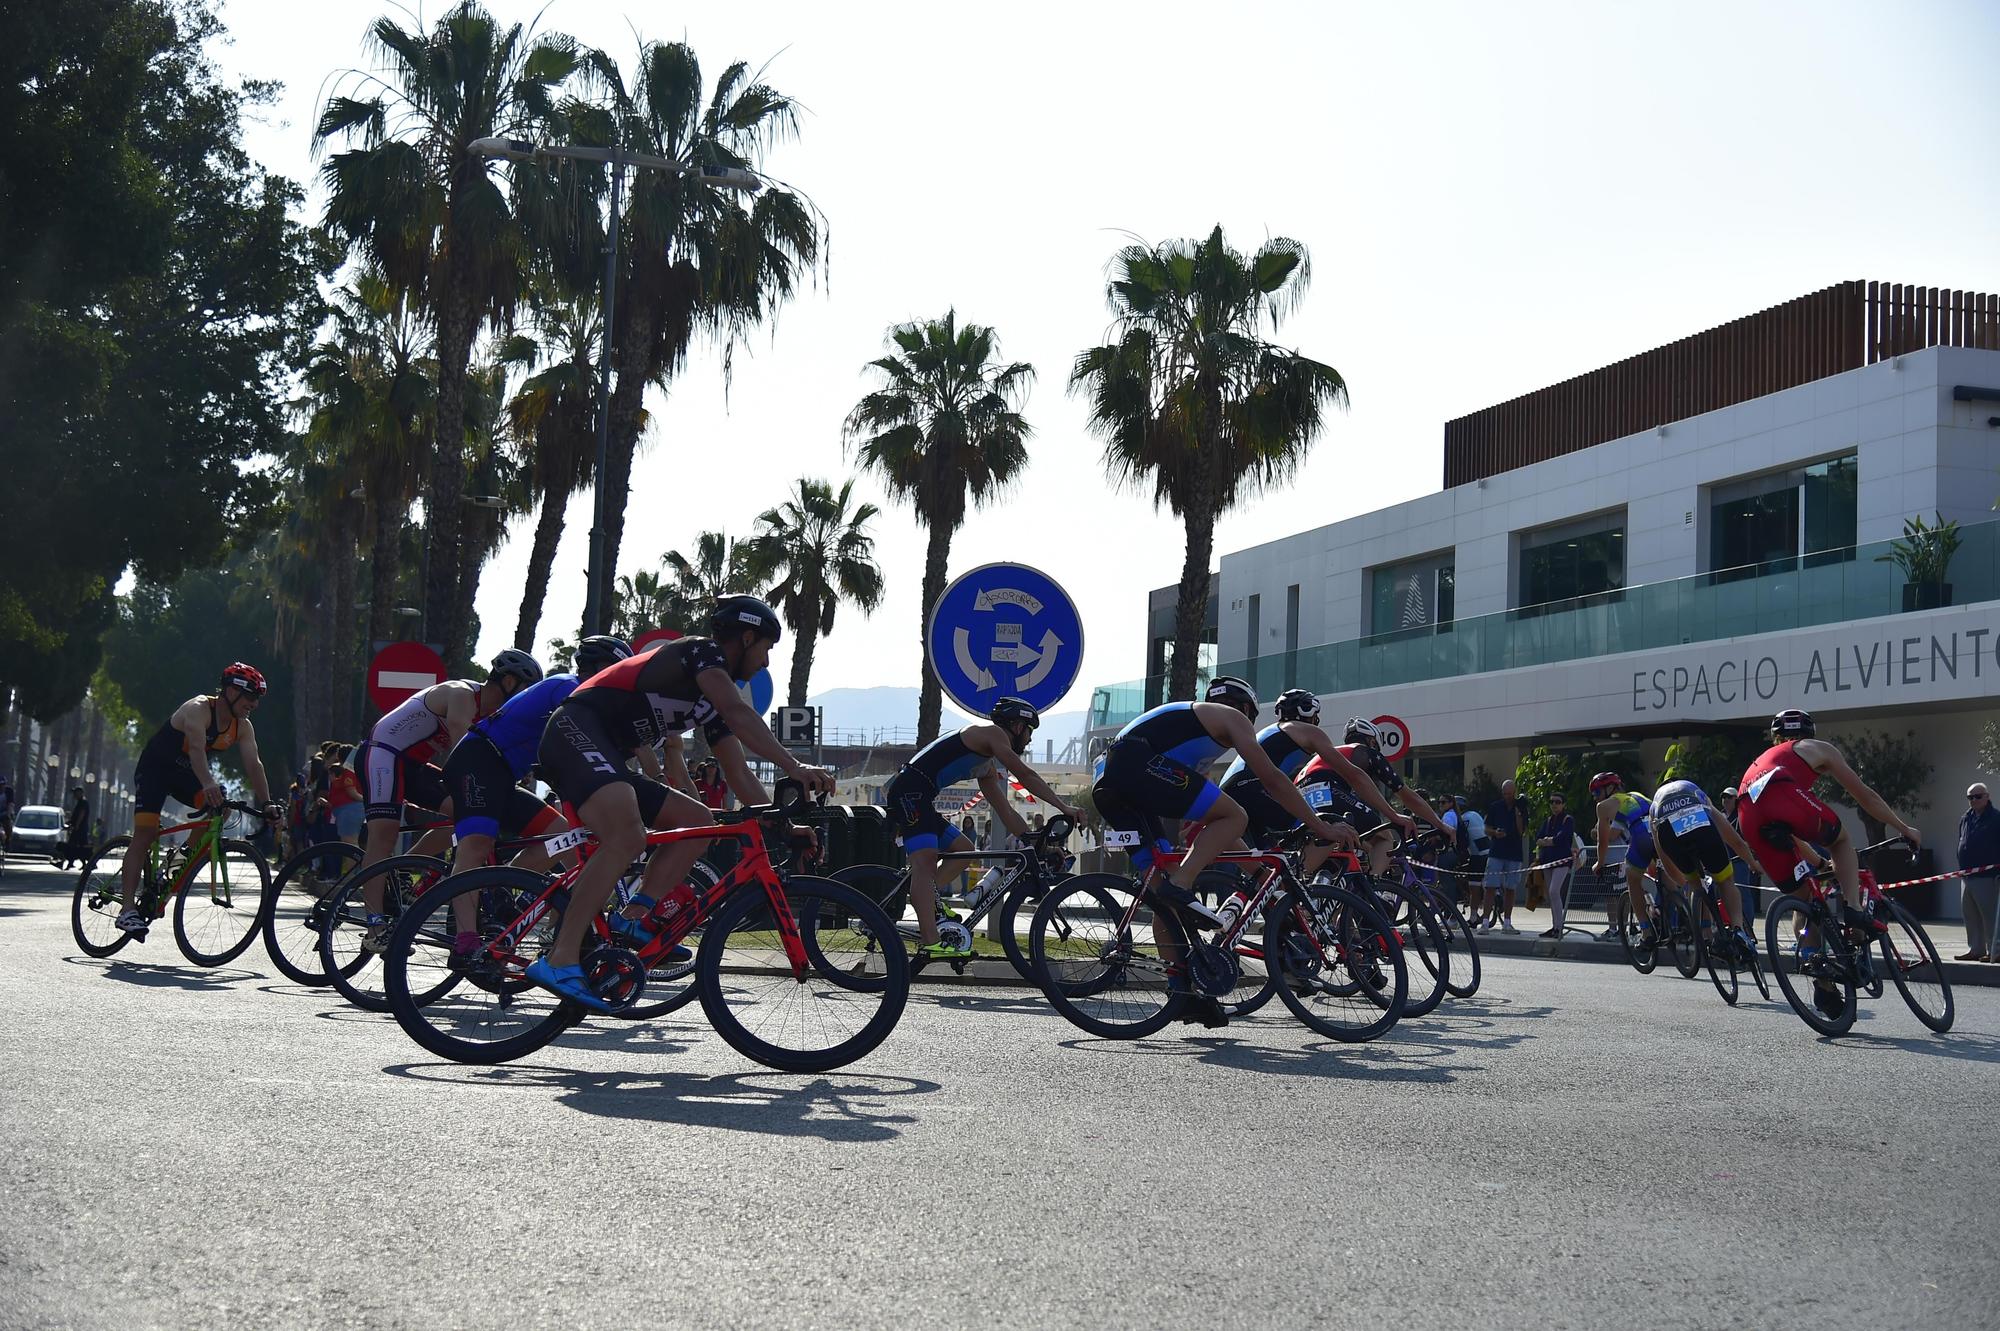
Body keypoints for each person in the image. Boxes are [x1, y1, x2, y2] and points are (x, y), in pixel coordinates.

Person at [528, 596, 836, 1008]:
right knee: (627, 837)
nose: (765, 663)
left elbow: (739, 773)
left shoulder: (710, 703)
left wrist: (783, 826)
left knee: (697, 821)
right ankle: (560, 957)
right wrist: (794, 766)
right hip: (573, 730)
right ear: (746, 638)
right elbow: (738, 711)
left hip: (604, 754)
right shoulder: (700, 651)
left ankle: (632, 920)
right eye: (765, 649)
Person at [1092, 677, 1348, 1028]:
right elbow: (1272, 779)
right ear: (1246, 709)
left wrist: (1248, 863)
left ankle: (1179, 993)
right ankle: (1182, 881)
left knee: (1161, 897)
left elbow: (1197, 805)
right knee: (1235, 815)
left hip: (1109, 781)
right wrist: (1321, 827)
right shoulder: (1231, 717)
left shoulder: (1193, 725)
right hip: (1137, 765)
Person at [353, 648, 546, 952]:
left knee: (464, 814)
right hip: (383, 753)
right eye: (526, 690)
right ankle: (375, 924)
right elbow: (462, 746)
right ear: (509, 681)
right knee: (384, 834)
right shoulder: (462, 694)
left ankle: (404, 871)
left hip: (413, 765)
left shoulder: (491, 715)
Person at [1736, 709, 1923, 1014]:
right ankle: (1854, 909)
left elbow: (1787, 829)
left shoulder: (1762, 760)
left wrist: (1818, 864)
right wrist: (1904, 828)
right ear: (1809, 733)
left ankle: (1821, 979)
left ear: (1776, 737)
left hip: (1748, 813)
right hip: (1781, 795)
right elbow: (1866, 797)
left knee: (1805, 898)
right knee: (1842, 840)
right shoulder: (1818, 748)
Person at [883, 697, 1080, 961]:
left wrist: (1033, 841)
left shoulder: (985, 766)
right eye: (1030, 731)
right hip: (909, 793)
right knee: (925, 863)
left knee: (964, 849)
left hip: (920, 796)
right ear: (1018, 726)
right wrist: (1063, 807)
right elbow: (1025, 775)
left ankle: (930, 902)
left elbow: (1005, 811)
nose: (1030, 740)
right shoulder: (991, 734)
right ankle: (930, 941)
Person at [117, 664, 280, 935]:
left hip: (186, 776)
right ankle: (126, 910)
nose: (254, 704)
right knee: (144, 833)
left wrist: (267, 803)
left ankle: (174, 866)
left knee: (221, 811)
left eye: (257, 699)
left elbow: (254, 764)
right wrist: (208, 783)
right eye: (250, 696)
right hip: (155, 770)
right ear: (230, 691)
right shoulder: (198, 708)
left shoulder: (243, 727)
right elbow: (195, 748)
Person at [1216, 690, 1408, 899]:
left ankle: (1242, 905)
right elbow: (1355, 775)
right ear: (1310, 713)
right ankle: (1294, 890)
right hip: (1256, 788)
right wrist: (1394, 816)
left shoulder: (1270, 732)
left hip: (1231, 790)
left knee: (1267, 870)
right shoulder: (1309, 732)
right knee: (1327, 831)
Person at [1294, 719, 1450, 885]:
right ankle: (1373, 888)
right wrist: (1442, 826)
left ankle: (1302, 890)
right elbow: (1409, 797)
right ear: (1372, 741)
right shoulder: (1366, 752)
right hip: (1328, 792)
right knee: (1384, 838)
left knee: (1337, 836)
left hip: (1298, 797)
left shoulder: (1324, 754)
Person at [1646, 777, 1764, 956]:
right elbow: (1732, 837)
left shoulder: (1655, 805)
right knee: (1725, 880)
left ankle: (1706, 933)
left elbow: (1662, 852)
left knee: (1695, 884)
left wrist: (1682, 880)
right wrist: (1752, 862)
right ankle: (1738, 931)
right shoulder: (1693, 790)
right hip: (1700, 822)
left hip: (1667, 831)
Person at [1589, 772, 1660, 944]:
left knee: (1632, 880)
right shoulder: (1636, 796)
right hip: (1661, 834)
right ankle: (1673, 915)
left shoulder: (1604, 806)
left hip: (1641, 838)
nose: (1596, 798)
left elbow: (1603, 841)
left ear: (1610, 788)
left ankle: (1646, 932)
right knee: (1664, 881)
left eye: (1597, 793)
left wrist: (1599, 863)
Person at [1956, 782, 2000, 962]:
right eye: (1970, 797)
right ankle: (1976, 949)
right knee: (1970, 914)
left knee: (1989, 915)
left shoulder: (1996, 818)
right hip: (1967, 874)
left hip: (1988, 875)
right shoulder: (1966, 818)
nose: (1974, 800)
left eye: (1978, 796)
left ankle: (1995, 951)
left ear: (1987, 796)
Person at [1481, 781, 1529, 933]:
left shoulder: (1521, 807)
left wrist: (1518, 815)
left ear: (1515, 792)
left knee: (1511, 888)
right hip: (1497, 851)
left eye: (1510, 794)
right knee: (1490, 886)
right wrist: (1495, 833)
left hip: (1514, 853)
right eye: (1505, 794)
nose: (1507, 797)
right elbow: (1486, 828)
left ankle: (1507, 922)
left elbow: (1522, 831)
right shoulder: (1495, 807)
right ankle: (1485, 922)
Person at [1534, 793, 1578, 938]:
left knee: (1554, 891)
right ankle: (1554, 927)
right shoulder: (1548, 820)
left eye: (1558, 802)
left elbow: (1562, 838)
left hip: (1562, 861)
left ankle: (1559, 928)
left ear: (1563, 804)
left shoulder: (1568, 819)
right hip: (1548, 862)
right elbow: (1538, 837)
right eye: (1552, 801)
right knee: (1550, 895)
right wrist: (1548, 841)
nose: (1554, 804)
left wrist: (1548, 841)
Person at [55, 784, 90, 869]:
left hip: (80, 829)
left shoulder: (83, 803)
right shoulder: (80, 803)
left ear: (80, 793)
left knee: (72, 846)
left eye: (76, 793)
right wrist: (69, 822)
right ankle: (74, 863)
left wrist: (76, 825)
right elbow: (76, 816)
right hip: (79, 828)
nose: (74, 795)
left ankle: (67, 862)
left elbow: (81, 814)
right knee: (77, 847)